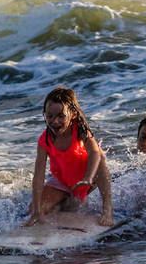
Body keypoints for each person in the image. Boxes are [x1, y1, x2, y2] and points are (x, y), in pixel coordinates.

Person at [26, 86, 114, 227]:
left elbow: (94, 153)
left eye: (61, 116)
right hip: (62, 181)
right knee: (33, 210)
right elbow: (38, 176)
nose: (54, 121)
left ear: (72, 114)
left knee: (101, 156)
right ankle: (65, 201)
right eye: (49, 116)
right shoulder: (45, 140)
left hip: (88, 178)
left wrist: (88, 177)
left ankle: (108, 209)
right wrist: (37, 211)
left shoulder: (80, 130)